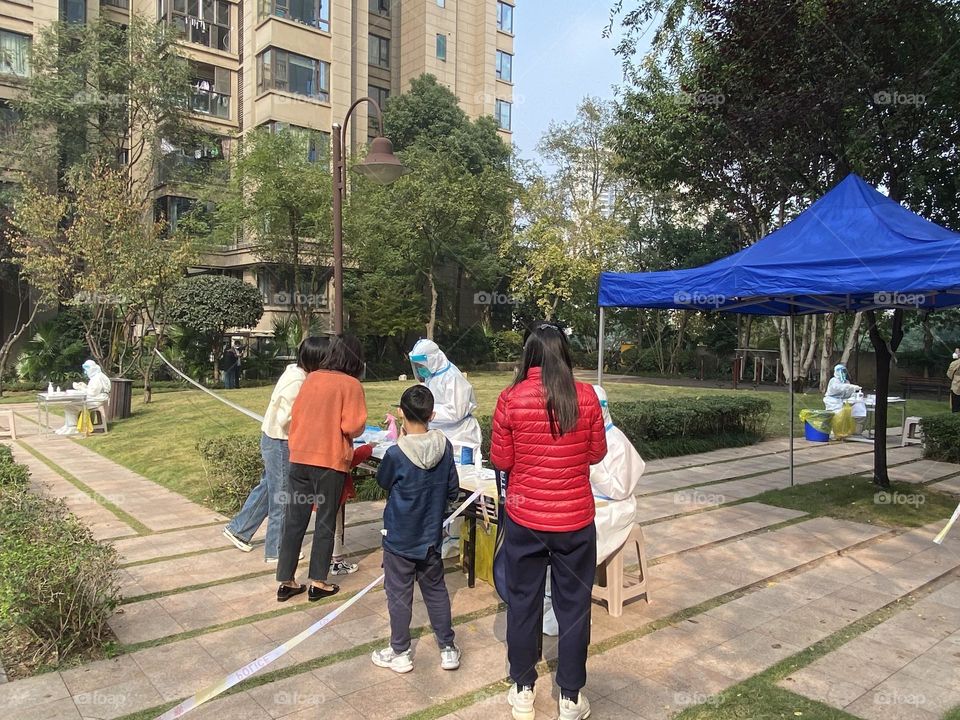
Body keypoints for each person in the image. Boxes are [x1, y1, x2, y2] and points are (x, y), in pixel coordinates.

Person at [490, 324, 607, 720]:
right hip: (575, 520)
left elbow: (502, 461)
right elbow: (596, 453)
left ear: (529, 354)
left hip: (525, 520)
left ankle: (523, 691)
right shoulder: (586, 396)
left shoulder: (510, 398)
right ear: (565, 353)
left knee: (522, 603)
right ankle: (570, 696)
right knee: (574, 606)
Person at [370, 385, 461, 674]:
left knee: (398, 594)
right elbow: (453, 488)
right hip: (431, 537)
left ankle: (400, 652)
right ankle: (447, 649)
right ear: (432, 414)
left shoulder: (396, 454)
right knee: (436, 591)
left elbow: (383, 483)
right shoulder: (444, 446)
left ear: (400, 412)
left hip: (399, 538)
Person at [542, 384, 645, 636]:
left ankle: (573, 606)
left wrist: (592, 469)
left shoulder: (617, 443)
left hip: (614, 507)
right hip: (584, 500)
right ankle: (550, 600)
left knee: (579, 537)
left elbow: (620, 489)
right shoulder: (577, 438)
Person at [275, 335, 367, 603]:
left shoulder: (312, 378)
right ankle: (318, 581)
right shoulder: (351, 385)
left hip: (300, 458)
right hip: (329, 462)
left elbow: (298, 415)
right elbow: (352, 426)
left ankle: (287, 581)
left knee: (295, 520)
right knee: (325, 520)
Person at [222, 337, 324, 562]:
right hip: (280, 442)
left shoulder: (297, 373)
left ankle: (239, 529)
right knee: (283, 496)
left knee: (269, 488)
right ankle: (277, 551)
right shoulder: (297, 382)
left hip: (273, 439)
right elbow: (285, 418)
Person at [408, 339, 482, 458]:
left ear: (432, 360)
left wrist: (425, 411)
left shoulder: (452, 378)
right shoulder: (432, 375)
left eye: (421, 365)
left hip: (459, 436)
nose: (419, 368)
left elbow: (456, 412)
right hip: (442, 434)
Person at [56, 360, 112, 435]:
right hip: (97, 398)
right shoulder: (99, 376)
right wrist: (84, 386)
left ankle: (72, 427)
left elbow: (92, 393)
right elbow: (93, 389)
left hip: (96, 400)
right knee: (71, 404)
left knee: (70, 406)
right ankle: (68, 426)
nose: (86, 372)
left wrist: (81, 388)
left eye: (87, 370)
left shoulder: (97, 378)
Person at [948, 348, 960, 413]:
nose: (955, 353)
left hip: (956, 384)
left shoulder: (954, 363)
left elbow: (949, 374)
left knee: (955, 404)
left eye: (956, 352)